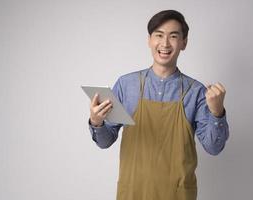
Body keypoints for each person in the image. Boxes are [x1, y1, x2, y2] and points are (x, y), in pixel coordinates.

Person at [88, 10, 229, 200]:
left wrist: (217, 112)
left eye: (173, 36)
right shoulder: (126, 85)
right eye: (159, 35)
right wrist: (96, 122)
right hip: (133, 192)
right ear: (149, 40)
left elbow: (214, 148)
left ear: (184, 43)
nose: (165, 44)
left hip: (177, 194)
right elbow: (105, 141)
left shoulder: (196, 92)